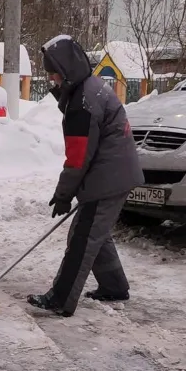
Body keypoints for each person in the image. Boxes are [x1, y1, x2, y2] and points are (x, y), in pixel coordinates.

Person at [26, 35, 144, 318]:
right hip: (114, 173)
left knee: (82, 236)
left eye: (53, 71)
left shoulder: (82, 101)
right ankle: (114, 286)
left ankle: (61, 298)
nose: (51, 77)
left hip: (109, 176)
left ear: (66, 70)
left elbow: (78, 158)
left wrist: (64, 193)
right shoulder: (90, 88)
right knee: (95, 234)